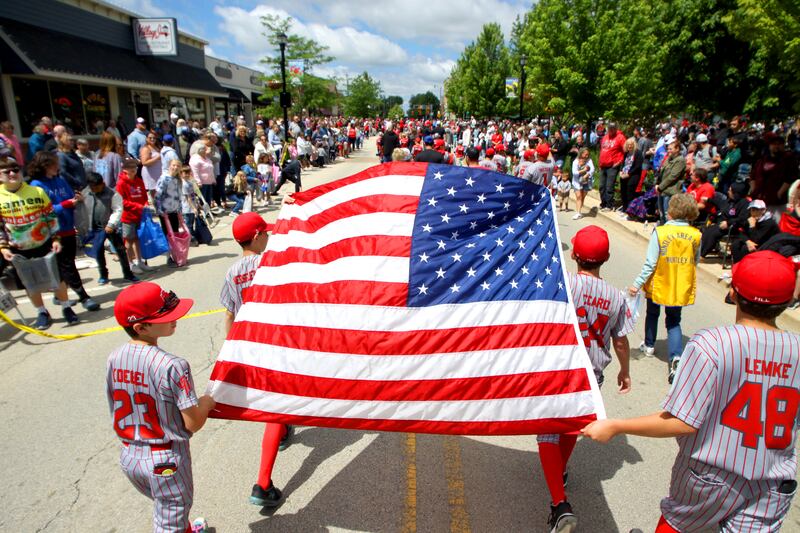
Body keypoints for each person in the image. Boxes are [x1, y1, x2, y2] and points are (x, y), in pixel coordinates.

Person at [583, 251, 799, 533]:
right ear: (788, 301)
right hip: (771, 481)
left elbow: (682, 421)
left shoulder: (712, 345)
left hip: (710, 476)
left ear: (733, 293)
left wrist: (616, 425)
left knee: (677, 525)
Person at [537, 225, 632, 533]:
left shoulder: (563, 283)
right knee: (571, 426)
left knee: (547, 433)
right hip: (593, 373)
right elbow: (620, 339)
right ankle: (560, 470)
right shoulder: (617, 297)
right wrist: (625, 369)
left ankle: (559, 504)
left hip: (560, 368)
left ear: (574, 253)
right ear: (605, 259)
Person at [108, 282, 216, 533]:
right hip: (165, 461)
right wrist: (207, 403)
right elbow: (192, 422)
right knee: (169, 521)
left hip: (130, 455)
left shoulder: (114, 357)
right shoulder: (173, 365)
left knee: (168, 509)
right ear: (140, 326)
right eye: (166, 316)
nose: (175, 318)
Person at [219, 212, 291, 509]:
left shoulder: (233, 271)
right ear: (258, 236)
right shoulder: (273, 262)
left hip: (250, 342)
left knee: (276, 403)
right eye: (266, 233)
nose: (269, 238)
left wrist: (232, 347)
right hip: (277, 341)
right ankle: (263, 483)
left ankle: (284, 428)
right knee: (276, 406)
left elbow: (228, 312)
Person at [629, 193, 700, 384]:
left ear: (672, 212)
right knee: (674, 321)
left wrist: (637, 283)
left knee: (653, 313)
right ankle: (675, 357)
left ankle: (649, 345)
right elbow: (696, 261)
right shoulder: (696, 235)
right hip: (679, 284)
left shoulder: (660, 232)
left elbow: (650, 263)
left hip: (659, 281)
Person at [0, 145, 70, 330]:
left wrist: (56, 238)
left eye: (15, 170)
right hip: (18, 248)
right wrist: (3, 247)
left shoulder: (36, 192)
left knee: (57, 278)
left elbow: (50, 216)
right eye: (7, 171)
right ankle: (42, 312)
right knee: (29, 284)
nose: (12, 174)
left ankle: (66, 307)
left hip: (44, 243)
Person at [28, 151, 100, 319]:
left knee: (64, 265)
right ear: (44, 166)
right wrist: (65, 204)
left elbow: (68, 196)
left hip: (68, 228)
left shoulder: (59, 180)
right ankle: (83, 297)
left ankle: (58, 296)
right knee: (67, 265)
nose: (57, 167)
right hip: (54, 232)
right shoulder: (37, 185)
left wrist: (76, 199)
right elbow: (43, 211)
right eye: (53, 164)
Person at [80, 172, 138, 284]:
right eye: (92, 188)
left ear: (103, 184)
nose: (94, 190)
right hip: (95, 228)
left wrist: (111, 224)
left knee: (120, 250)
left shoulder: (113, 194)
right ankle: (103, 275)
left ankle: (128, 274)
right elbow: (82, 209)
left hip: (111, 227)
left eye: (96, 187)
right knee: (98, 251)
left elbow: (117, 209)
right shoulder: (86, 192)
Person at [116, 156, 150, 274]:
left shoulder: (139, 181)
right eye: (131, 170)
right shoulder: (121, 184)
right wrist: (138, 206)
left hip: (139, 215)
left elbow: (144, 196)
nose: (134, 171)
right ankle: (130, 263)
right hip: (128, 216)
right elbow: (122, 201)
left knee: (137, 240)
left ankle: (139, 261)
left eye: (135, 169)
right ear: (125, 170)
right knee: (129, 241)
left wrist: (145, 203)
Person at [730, 199, 780, 265]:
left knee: (746, 249)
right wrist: (747, 241)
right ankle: (737, 267)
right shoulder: (752, 218)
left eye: (756, 209)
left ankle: (745, 267)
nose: (753, 212)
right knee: (736, 244)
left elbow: (756, 239)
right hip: (755, 242)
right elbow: (742, 233)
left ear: (763, 210)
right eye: (751, 210)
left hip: (768, 245)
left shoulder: (768, 222)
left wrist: (752, 227)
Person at [155, 159, 184, 265]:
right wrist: (159, 209)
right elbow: (158, 195)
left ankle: (176, 255)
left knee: (175, 234)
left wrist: (180, 209)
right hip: (165, 212)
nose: (175, 167)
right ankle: (168, 257)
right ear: (169, 165)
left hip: (174, 211)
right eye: (173, 165)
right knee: (167, 234)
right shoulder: (164, 178)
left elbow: (179, 196)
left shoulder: (177, 179)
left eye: (178, 166)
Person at [656, 140, 686, 225]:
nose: (668, 151)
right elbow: (662, 171)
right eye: (668, 149)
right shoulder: (668, 159)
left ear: (677, 149)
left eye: (670, 149)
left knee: (667, 213)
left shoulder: (680, 161)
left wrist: (660, 187)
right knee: (661, 213)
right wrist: (657, 184)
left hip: (671, 191)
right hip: (662, 190)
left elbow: (673, 176)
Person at [598, 121, 626, 210]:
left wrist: (619, 162)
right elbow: (602, 150)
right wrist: (600, 163)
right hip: (603, 165)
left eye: (612, 128)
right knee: (601, 186)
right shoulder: (605, 137)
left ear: (615, 129)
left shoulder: (620, 137)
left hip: (612, 166)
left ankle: (609, 205)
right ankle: (603, 203)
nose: (610, 130)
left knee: (609, 186)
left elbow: (625, 151)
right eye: (609, 128)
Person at [619, 137, 643, 212]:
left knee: (630, 192)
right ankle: (624, 208)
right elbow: (623, 163)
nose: (629, 146)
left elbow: (637, 166)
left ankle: (630, 210)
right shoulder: (626, 153)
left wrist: (629, 174)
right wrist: (620, 171)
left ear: (634, 145)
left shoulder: (638, 153)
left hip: (633, 175)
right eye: (628, 145)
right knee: (623, 192)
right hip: (624, 174)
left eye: (631, 144)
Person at [571, 148, 595, 220]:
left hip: (586, 181)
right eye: (585, 154)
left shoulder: (589, 160)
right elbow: (574, 173)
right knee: (579, 196)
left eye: (588, 154)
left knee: (583, 197)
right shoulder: (575, 161)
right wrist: (583, 170)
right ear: (581, 153)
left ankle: (579, 211)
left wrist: (587, 174)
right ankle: (578, 213)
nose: (587, 156)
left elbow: (592, 169)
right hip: (577, 182)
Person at [140, 132, 161, 205]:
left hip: (158, 173)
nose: (152, 139)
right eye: (150, 138)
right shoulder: (146, 149)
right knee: (154, 193)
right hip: (150, 174)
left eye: (154, 138)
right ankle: (157, 210)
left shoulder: (157, 147)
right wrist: (157, 158)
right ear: (146, 139)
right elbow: (144, 162)